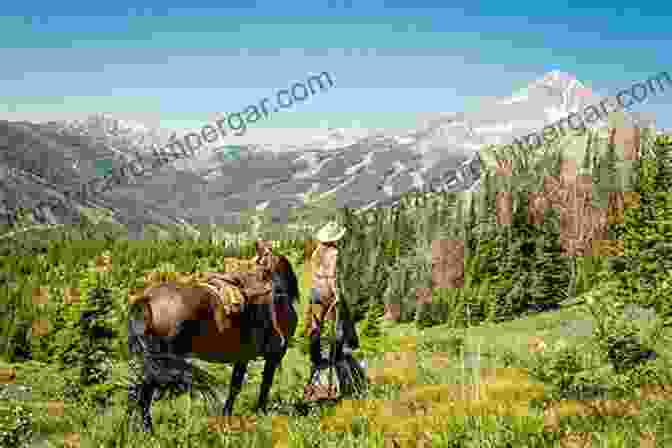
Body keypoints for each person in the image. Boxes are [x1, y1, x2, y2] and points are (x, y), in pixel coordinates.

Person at [305, 221, 347, 371]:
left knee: (316, 325)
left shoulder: (317, 251)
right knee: (338, 324)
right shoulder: (334, 253)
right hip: (327, 292)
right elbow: (332, 276)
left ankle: (316, 358)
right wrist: (336, 294)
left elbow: (313, 271)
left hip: (315, 289)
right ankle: (336, 356)